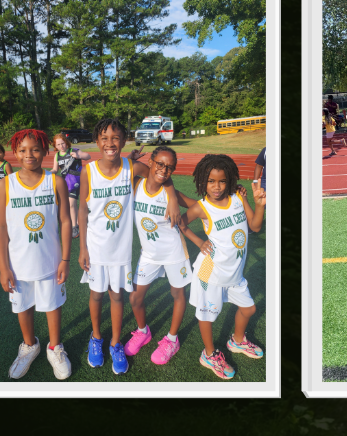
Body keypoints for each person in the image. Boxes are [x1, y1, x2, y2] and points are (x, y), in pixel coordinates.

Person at [78, 118, 176, 375]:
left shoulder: (131, 167)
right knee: (96, 294)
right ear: (97, 141)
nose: (110, 143)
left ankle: (115, 342)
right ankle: (96, 338)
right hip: (95, 248)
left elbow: (161, 175)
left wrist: (173, 199)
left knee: (117, 295)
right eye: (104, 138)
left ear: (124, 141)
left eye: (115, 138)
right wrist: (83, 248)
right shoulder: (88, 171)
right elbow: (81, 208)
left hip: (121, 250)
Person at [177, 154, 266, 379]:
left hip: (234, 273)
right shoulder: (202, 207)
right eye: (211, 181)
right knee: (207, 315)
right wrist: (198, 242)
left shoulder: (238, 197)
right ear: (202, 182)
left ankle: (237, 341)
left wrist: (259, 204)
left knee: (249, 309)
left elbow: (255, 227)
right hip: (209, 272)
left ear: (230, 181)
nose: (217, 187)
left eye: (222, 181)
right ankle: (209, 354)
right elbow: (181, 223)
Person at [0, 128, 73, 380]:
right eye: (23, 150)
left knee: (53, 306)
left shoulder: (55, 181)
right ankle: (30, 345)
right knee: (23, 307)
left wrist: (65, 259)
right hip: (18, 265)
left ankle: (54, 347)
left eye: (35, 149)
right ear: (15, 153)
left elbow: (64, 221)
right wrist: (3, 267)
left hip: (50, 262)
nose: (29, 154)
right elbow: (2, 227)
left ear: (45, 152)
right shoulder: (5, 184)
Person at [124, 146, 195, 366]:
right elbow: (121, 169)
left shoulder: (168, 191)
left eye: (170, 167)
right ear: (151, 161)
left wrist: (177, 203)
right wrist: (128, 157)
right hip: (149, 254)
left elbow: (197, 206)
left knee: (177, 294)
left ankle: (172, 340)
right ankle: (143, 331)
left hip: (173, 251)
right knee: (135, 297)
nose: (164, 170)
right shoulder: (136, 184)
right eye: (160, 164)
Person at [47, 134, 90, 238]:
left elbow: (88, 156)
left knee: (86, 203)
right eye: (58, 144)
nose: (61, 146)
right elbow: (55, 169)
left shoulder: (73, 150)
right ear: (55, 146)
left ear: (66, 142)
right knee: (71, 204)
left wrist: (79, 156)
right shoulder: (57, 156)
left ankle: (81, 223)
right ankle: (74, 225)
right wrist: (47, 173)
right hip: (68, 183)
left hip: (80, 180)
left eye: (63, 143)